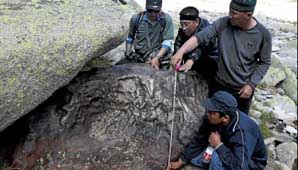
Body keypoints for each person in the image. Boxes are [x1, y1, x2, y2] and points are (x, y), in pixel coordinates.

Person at [171, 0, 272, 114]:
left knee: (236, 124)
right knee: (212, 120)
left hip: (241, 90)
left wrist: (251, 84)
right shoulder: (223, 24)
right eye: (230, 11)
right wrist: (181, 51)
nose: (230, 15)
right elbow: (200, 38)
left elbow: (265, 62)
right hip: (219, 85)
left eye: (234, 13)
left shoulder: (263, 34)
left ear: (248, 14)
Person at [167, 91, 267, 170]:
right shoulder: (213, 118)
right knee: (194, 159)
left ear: (225, 118)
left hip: (249, 164)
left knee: (215, 158)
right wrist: (181, 161)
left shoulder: (243, 132)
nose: (208, 113)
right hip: (228, 148)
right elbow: (199, 140)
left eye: (212, 112)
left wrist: (218, 145)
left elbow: (240, 166)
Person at [118, 0, 174, 70]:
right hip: (139, 55)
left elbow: (168, 40)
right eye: (150, 10)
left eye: (156, 11)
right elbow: (130, 37)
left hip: (158, 53)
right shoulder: (136, 18)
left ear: (160, 9)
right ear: (146, 8)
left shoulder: (166, 19)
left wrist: (157, 57)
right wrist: (128, 51)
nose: (153, 14)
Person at [174, 6, 217, 78]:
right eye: (181, 24)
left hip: (210, 61)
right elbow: (178, 43)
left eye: (186, 24)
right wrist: (177, 59)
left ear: (196, 22)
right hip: (193, 61)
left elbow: (203, 47)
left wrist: (191, 60)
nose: (184, 28)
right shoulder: (182, 30)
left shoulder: (208, 30)